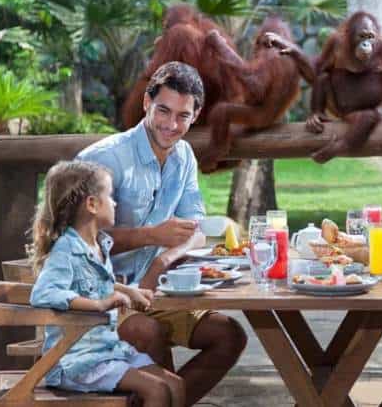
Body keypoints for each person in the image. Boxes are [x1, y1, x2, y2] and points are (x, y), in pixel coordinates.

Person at [77, 61, 247, 406]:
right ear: (146, 103)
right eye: (163, 111)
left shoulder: (183, 156)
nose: (171, 125)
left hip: (154, 292)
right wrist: (151, 236)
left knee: (228, 335)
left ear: (195, 116)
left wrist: (163, 261)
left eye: (183, 116)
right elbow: (76, 240)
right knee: (149, 334)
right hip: (97, 297)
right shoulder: (105, 160)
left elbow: (195, 229)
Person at [30, 160, 185, 406]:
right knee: (157, 391)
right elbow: (43, 293)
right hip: (76, 360)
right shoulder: (66, 250)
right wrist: (99, 305)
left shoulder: (99, 245)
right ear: (92, 204)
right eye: (110, 196)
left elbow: (94, 283)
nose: (115, 203)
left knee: (176, 385)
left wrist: (129, 291)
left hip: (108, 350)